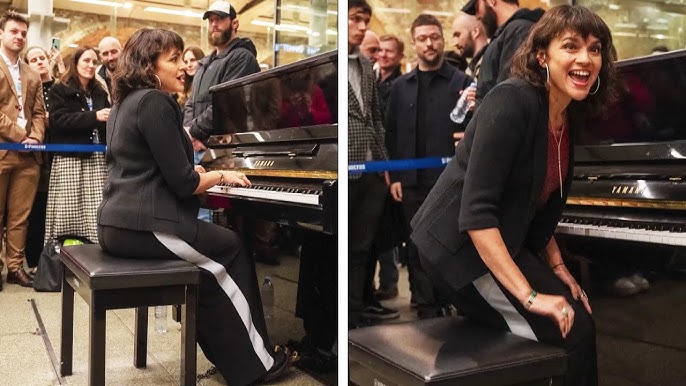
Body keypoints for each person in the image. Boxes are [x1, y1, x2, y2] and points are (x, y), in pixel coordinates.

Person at [410, 5, 616, 386]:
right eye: (570, 46)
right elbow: (476, 214)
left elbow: (531, 202)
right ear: (542, 55)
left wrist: (556, 267)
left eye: (595, 48)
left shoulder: (568, 115)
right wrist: (532, 297)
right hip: (458, 250)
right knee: (575, 329)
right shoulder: (512, 101)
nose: (585, 59)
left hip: (501, 241)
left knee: (577, 315)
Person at [97, 27, 291, 386]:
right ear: (148, 66)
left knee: (207, 268)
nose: (183, 68)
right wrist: (219, 175)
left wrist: (196, 171)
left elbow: (149, 166)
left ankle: (231, 358)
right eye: (173, 60)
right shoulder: (155, 102)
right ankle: (257, 366)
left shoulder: (125, 102)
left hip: (118, 224)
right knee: (231, 248)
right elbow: (184, 184)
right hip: (147, 225)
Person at [385, 13, 472, 319]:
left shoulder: (462, 83)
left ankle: (452, 303)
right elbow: (391, 133)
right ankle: (424, 306)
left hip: (450, 182)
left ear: (442, 38)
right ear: (414, 43)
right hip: (410, 181)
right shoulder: (400, 87)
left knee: (448, 244)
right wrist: (394, 175)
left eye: (434, 36)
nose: (429, 43)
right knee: (416, 245)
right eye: (422, 38)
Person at [184, 0, 260, 225]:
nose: (214, 24)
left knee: (212, 217)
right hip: (199, 147)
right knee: (196, 212)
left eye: (220, 19)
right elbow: (191, 103)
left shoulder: (242, 58)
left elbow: (226, 104)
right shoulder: (205, 63)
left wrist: (193, 132)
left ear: (234, 23)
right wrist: (189, 134)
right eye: (211, 20)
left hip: (223, 150)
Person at [347, 0, 398, 327]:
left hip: (371, 172)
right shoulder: (331, 63)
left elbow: (376, 120)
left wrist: (386, 168)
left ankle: (354, 312)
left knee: (363, 248)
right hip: (343, 169)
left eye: (365, 20)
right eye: (355, 19)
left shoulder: (366, 66)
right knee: (340, 248)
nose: (363, 26)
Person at [44, 47, 110, 245]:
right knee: (67, 213)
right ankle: (61, 254)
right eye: (86, 61)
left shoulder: (100, 92)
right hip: (70, 159)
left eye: (94, 62)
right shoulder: (60, 89)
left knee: (96, 210)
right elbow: (58, 120)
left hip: (97, 159)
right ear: (76, 62)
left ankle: (95, 252)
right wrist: (94, 116)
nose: (91, 66)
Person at [0, 10, 46, 288]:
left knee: (20, 217)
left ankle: (15, 267)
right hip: (3, 150)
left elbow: (39, 112)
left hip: (29, 156)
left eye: (23, 33)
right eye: (14, 31)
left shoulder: (32, 74)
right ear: (1, 34)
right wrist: (20, 135)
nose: (19, 36)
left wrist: (36, 136)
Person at [462, 0, 544, 106]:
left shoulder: (518, 31)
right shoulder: (511, 32)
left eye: (477, 7)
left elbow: (508, 95)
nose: (477, 16)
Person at [23, 46, 57, 271]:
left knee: (50, 209)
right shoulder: (27, 87)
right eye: (33, 59)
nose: (39, 62)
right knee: (34, 210)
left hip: (56, 157)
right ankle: (33, 259)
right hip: (32, 156)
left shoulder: (60, 88)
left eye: (42, 58)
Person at [451, 11, 489, 78]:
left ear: (475, 32)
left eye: (458, 35)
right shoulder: (472, 68)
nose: (455, 43)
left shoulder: (491, 62)